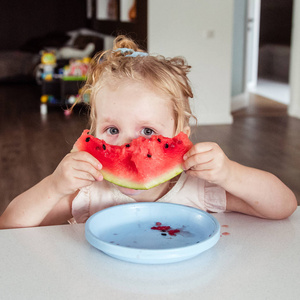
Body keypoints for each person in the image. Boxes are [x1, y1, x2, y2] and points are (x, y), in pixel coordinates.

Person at [0, 36, 297, 229]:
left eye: (148, 131)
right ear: (91, 132)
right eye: (112, 129)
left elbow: (283, 206)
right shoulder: (90, 195)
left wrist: (231, 173)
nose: (130, 144)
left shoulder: (198, 189)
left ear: (181, 134)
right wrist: (54, 185)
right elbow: (10, 227)